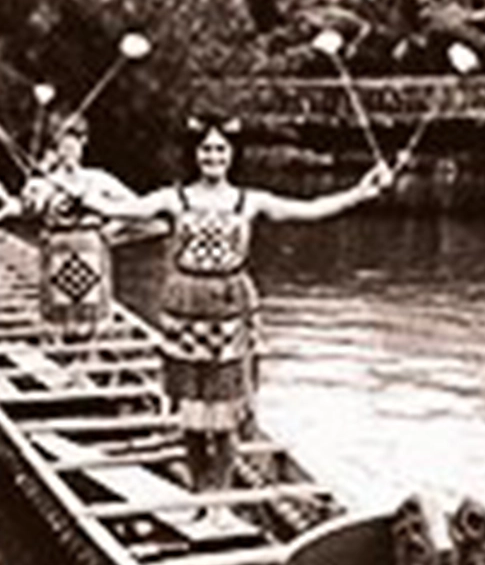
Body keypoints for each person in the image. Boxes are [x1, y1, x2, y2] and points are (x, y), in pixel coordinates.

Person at [86, 112, 394, 530]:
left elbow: (311, 210)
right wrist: (76, 194)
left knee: (226, 414)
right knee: (193, 416)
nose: (213, 156)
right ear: (195, 155)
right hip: (186, 309)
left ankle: (222, 505)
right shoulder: (173, 198)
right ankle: (201, 497)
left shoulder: (250, 201)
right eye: (207, 150)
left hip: (231, 310)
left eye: (221, 150)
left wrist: (361, 191)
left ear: (231, 156)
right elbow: (121, 208)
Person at [0, 110, 135, 342]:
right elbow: (23, 209)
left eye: (75, 143)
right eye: (63, 145)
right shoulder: (43, 183)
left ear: (84, 144)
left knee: (93, 324)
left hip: (93, 258)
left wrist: (114, 227)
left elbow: (136, 207)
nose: (69, 150)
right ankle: (62, 360)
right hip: (56, 259)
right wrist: (13, 203)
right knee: (58, 325)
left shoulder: (99, 179)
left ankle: (90, 363)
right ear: (56, 149)